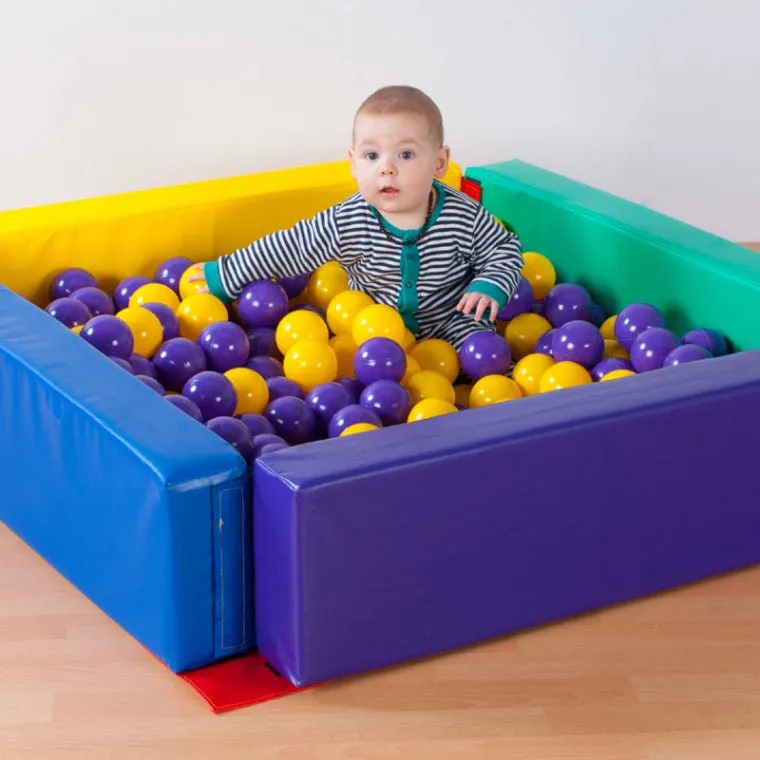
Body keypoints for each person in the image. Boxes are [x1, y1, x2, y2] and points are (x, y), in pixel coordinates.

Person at [190, 85, 523, 349]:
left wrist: (490, 284)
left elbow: (504, 248)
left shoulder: (462, 213)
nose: (386, 168)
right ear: (353, 162)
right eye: (371, 155)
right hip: (370, 330)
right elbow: (289, 246)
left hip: (454, 319)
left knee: (485, 353)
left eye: (406, 154)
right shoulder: (348, 221)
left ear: (439, 162)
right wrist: (225, 276)